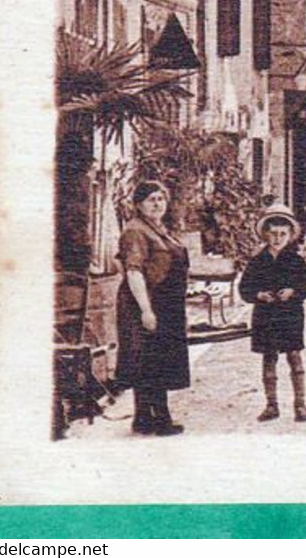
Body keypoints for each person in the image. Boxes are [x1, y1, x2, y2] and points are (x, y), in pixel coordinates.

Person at [114, 180, 191, 436]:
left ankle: (143, 417)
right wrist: (146, 310)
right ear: (138, 204)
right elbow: (133, 272)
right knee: (152, 360)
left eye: (161, 199)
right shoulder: (135, 231)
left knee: (152, 359)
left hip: (165, 302)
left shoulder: (158, 229)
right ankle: (161, 420)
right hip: (146, 301)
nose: (157, 204)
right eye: (151, 199)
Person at [239, 204, 306, 422]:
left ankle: (300, 404)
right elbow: (244, 289)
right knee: (269, 358)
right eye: (273, 233)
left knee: (294, 357)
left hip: (290, 315)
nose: (277, 238)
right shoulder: (257, 261)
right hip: (265, 317)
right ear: (265, 234)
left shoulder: (296, 261)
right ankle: (271, 405)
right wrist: (259, 295)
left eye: (282, 234)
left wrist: (293, 291)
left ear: (290, 235)